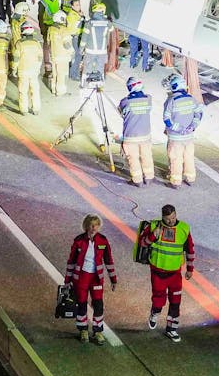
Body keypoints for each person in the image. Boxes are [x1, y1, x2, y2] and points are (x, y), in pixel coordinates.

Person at [144, 204, 194, 342]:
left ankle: (171, 329)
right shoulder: (154, 226)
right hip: (157, 272)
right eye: (168, 219)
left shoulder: (184, 228)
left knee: (176, 302)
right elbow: (143, 243)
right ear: (162, 218)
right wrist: (153, 236)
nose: (171, 221)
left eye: (173, 217)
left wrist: (190, 269)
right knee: (159, 299)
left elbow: (190, 249)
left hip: (175, 274)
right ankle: (155, 312)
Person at [64, 214, 117, 345]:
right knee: (81, 304)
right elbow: (71, 261)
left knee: (98, 304)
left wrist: (113, 279)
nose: (93, 228)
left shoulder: (103, 241)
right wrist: (67, 280)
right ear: (86, 226)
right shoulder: (78, 241)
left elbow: (109, 261)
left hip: (96, 278)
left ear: (99, 226)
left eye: (96, 225)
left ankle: (98, 331)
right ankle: (83, 330)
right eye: (91, 225)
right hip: (81, 278)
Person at [163, 73, 203, 187]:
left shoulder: (171, 101)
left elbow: (167, 120)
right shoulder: (191, 99)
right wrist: (192, 127)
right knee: (189, 157)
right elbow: (199, 114)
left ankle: (176, 182)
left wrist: (180, 130)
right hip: (189, 137)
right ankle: (190, 178)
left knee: (176, 159)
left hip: (176, 138)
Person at [117, 77, 155, 186]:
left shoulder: (125, 101)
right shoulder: (148, 99)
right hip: (145, 135)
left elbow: (121, 113)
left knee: (133, 159)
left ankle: (137, 180)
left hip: (131, 136)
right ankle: (149, 177)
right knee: (147, 156)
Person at [13, 20, 44, 114]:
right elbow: (40, 58)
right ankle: (36, 109)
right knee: (35, 90)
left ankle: (24, 110)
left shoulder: (19, 43)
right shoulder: (36, 43)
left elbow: (16, 59)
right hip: (34, 71)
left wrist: (14, 69)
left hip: (23, 71)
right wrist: (38, 68)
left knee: (23, 90)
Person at [78, 2, 112, 81]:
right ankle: (100, 82)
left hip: (90, 51)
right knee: (100, 68)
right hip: (102, 51)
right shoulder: (108, 23)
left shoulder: (89, 23)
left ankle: (84, 83)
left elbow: (84, 39)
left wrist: (81, 49)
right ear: (103, 11)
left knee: (87, 68)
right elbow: (110, 32)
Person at [47, 11, 75, 95]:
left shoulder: (51, 28)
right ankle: (60, 91)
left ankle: (54, 89)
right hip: (62, 56)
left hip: (54, 54)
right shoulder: (64, 30)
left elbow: (48, 41)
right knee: (61, 74)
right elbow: (67, 44)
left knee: (55, 73)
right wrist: (72, 52)